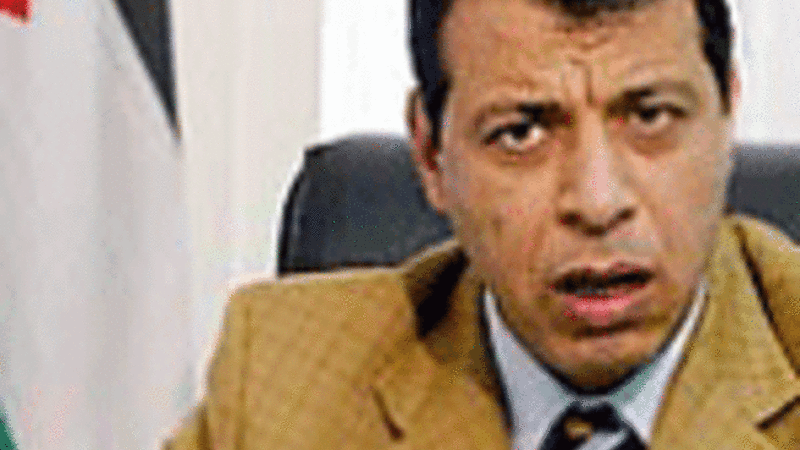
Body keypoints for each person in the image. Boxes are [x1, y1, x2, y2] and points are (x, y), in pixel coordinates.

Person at [164, 0, 800, 448]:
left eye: (650, 116)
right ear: (429, 153)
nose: (598, 202)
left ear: (727, 115)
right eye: (520, 133)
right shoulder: (282, 383)